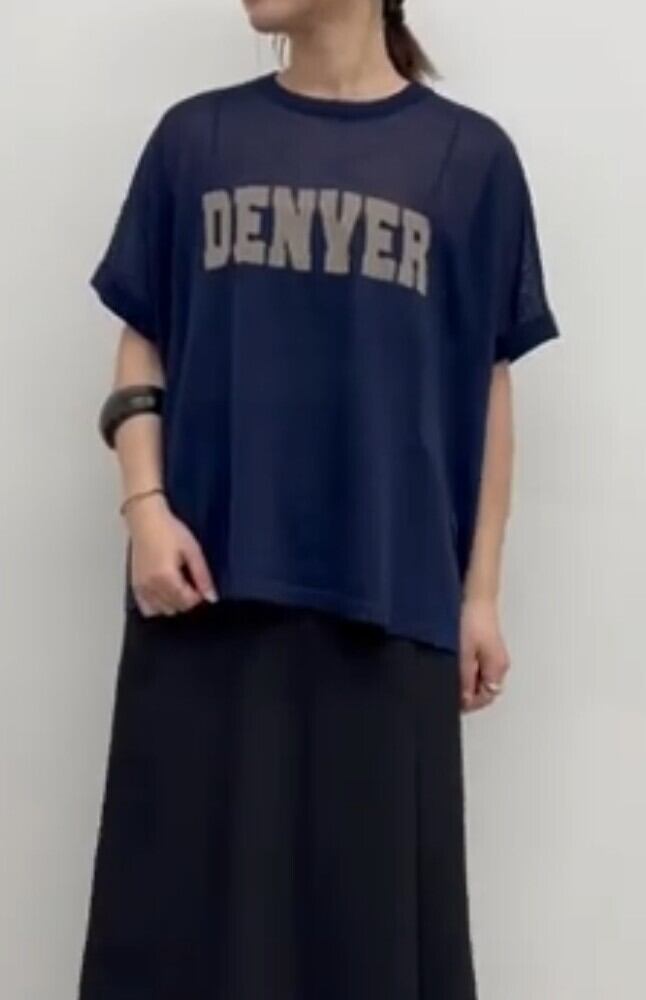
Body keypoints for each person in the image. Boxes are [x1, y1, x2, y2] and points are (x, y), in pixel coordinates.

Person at [77, 1, 560, 997]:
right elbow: (143, 334)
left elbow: (487, 387)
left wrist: (479, 594)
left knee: (366, 942)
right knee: (184, 936)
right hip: (206, 599)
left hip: (388, 606)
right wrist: (145, 507)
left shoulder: (469, 161)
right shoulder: (196, 140)